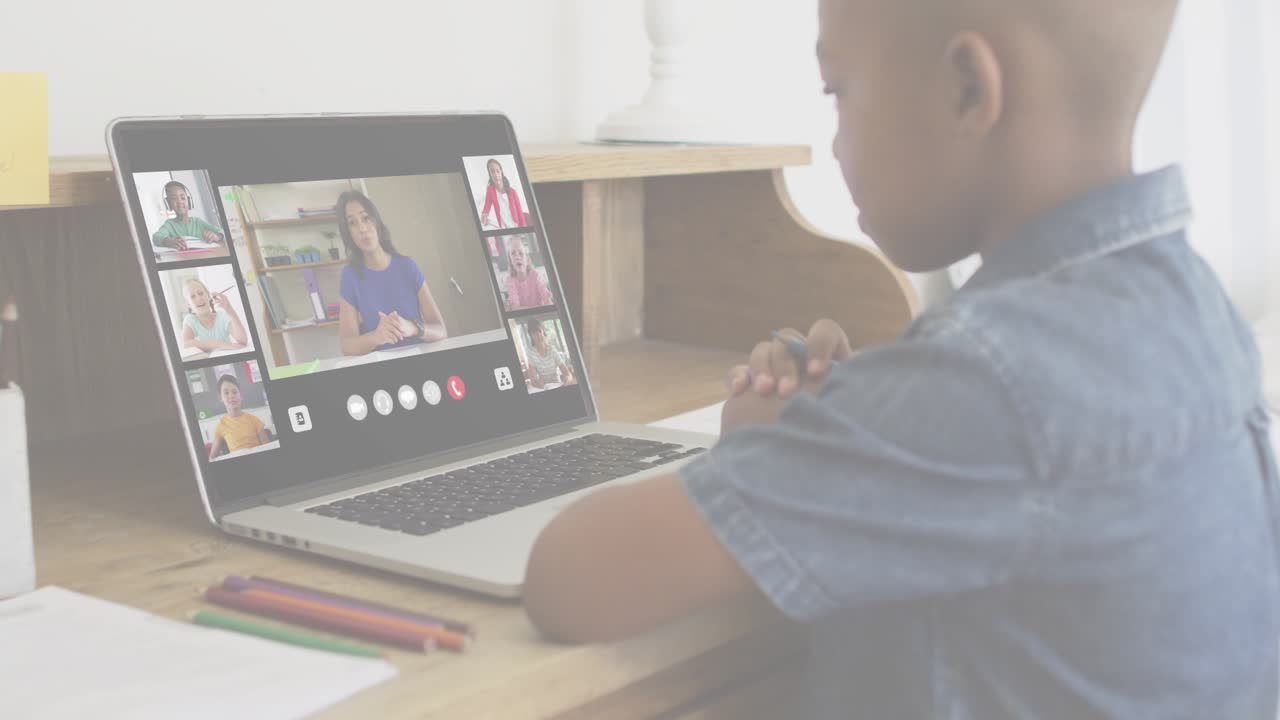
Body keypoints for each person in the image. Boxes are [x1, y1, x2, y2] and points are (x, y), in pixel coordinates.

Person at [523, 1, 1280, 718]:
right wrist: (852, 424)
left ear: (967, 88)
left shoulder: (988, 379)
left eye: (838, 92)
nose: (838, 142)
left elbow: (570, 577)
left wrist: (787, 447)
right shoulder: (1193, 310)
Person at [336, 190, 448, 356]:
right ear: (348, 234)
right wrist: (377, 336)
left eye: (366, 218)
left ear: (376, 221)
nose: (362, 229)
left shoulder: (408, 266)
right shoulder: (349, 276)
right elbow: (347, 345)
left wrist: (413, 327)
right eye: (352, 223)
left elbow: (441, 331)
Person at [208, 375, 270, 460]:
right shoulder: (221, 426)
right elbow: (212, 457)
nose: (231, 396)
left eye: (235, 392)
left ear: (240, 395)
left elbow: (268, 448)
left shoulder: (254, 420)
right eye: (226, 393)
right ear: (221, 398)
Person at [180, 278, 248, 353]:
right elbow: (186, 344)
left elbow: (243, 341)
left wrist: (229, 309)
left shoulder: (222, 316)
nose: (199, 298)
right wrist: (218, 344)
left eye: (201, 293)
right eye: (192, 296)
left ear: (208, 296)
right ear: (188, 304)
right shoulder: (190, 320)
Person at [152, 181, 224, 251]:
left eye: (183, 198)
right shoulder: (169, 225)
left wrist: (217, 237)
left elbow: (222, 231)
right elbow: (156, 237)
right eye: (174, 199)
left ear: (189, 201)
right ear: (168, 204)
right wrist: (168, 241)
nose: (180, 202)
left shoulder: (198, 222)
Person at [503, 235, 553, 310]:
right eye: (513, 253)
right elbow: (515, 309)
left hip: (542, 316)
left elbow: (548, 302)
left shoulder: (535, 275)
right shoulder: (510, 280)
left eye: (520, 253)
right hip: (524, 319)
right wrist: (538, 307)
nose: (517, 257)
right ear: (510, 261)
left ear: (526, 258)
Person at [523, 320, 574, 390]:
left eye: (540, 331)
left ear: (543, 332)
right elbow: (533, 381)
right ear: (531, 336)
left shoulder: (552, 349)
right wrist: (539, 384)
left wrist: (567, 378)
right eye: (534, 333)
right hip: (544, 388)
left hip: (557, 384)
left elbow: (567, 373)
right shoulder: (531, 353)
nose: (538, 335)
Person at [479, 159, 528, 229]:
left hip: (516, 226)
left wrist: (524, 231)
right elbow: (486, 208)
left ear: (501, 172)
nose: (495, 174)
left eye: (497, 171)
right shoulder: (490, 190)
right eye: (492, 172)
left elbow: (520, 214)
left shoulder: (512, 192)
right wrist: (484, 216)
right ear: (490, 174)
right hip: (503, 229)